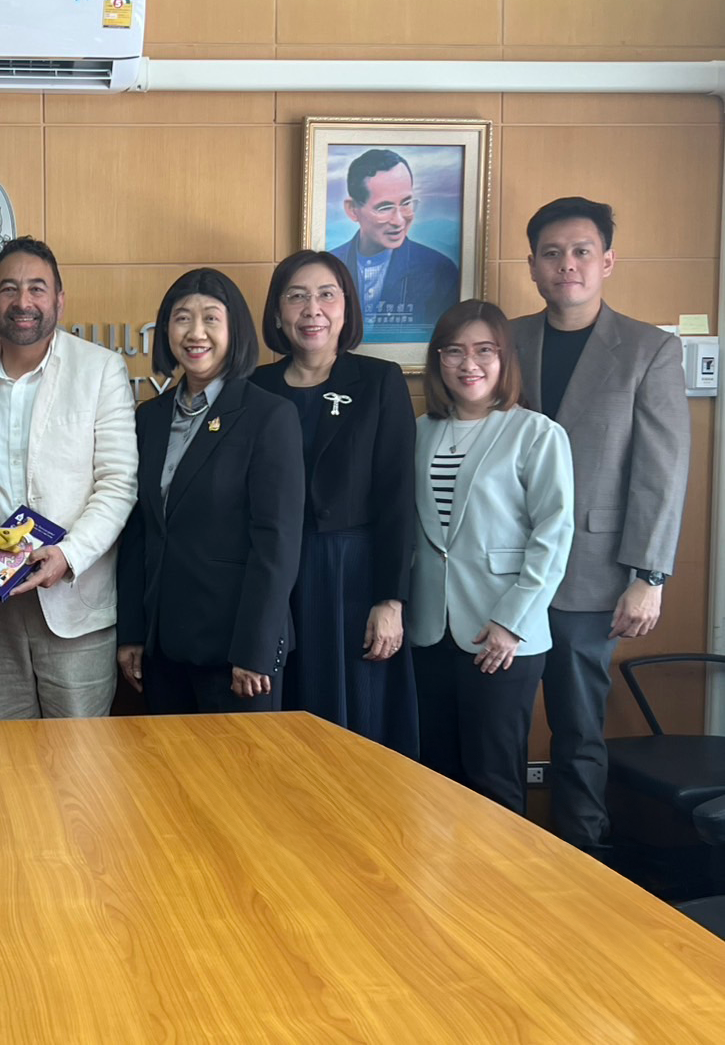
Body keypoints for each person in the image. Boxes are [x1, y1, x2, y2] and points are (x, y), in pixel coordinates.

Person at [511, 197, 690, 851]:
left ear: (606, 261)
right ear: (533, 265)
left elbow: (661, 470)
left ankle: (581, 858)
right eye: (552, 253)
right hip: (504, 564)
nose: (567, 265)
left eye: (581, 251)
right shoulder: (506, 340)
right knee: (498, 725)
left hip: (592, 573)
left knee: (578, 728)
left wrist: (648, 576)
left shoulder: (649, 349)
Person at [0, 236, 137, 719]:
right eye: (9, 288)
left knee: (81, 757)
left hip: (74, 604)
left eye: (37, 289)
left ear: (59, 300)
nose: (23, 302)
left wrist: (68, 555)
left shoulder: (100, 370)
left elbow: (118, 483)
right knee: (5, 755)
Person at [250, 250, 418, 753]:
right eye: (297, 296)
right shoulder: (254, 387)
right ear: (278, 311)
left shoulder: (379, 381)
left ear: (347, 307)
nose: (312, 309)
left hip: (352, 576)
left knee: (355, 718)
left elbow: (397, 498)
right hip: (275, 575)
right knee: (282, 720)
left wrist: (390, 600)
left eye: (327, 295)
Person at [410, 300, 574, 813]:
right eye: (454, 351)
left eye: (485, 350)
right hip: (429, 630)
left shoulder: (536, 433)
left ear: (505, 359)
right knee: (434, 781)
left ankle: (502, 871)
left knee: (494, 783)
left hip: (501, 634)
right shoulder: (419, 431)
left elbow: (554, 534)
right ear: (438, 360)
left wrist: (511, 622)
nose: (469, 364)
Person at [116, 269, 303, 713]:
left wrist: (254, 651)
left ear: (234, 329)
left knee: (241, 762)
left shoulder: (268, 416)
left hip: (236, 653)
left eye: (211, 319)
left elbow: (276, 543)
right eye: (182, 318)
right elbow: (139, 532)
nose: (195, 333)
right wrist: (133, 632)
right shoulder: (149, 417)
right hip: (163, 649)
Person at [330, 148, 461, 335]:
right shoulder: (329, 266)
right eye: (384, 207)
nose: (399, 221)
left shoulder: (439, 271)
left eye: (406, 203)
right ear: (352, 209)